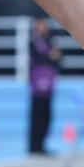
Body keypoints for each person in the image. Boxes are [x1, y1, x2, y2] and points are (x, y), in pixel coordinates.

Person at [28, 17, 62, 155]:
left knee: (47, 115)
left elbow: (58, 58)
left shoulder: (51, 40)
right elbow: (41, 58)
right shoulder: (34, 41)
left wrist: (52, 56)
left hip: (49, 84)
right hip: (37, 85)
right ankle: (34, 146)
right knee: (36, 115)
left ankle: (42, 144)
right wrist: (50, 56)